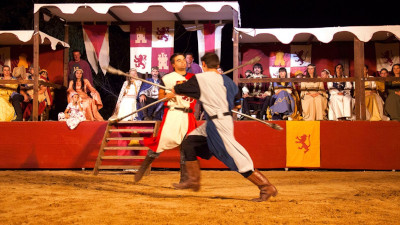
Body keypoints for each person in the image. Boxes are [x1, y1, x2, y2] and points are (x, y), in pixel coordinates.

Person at [167, 52, 277, 202]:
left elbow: (178, 90)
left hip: (218, 123)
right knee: (190, 142)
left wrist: (173, 91)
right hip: (217, 121)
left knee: (236, 157)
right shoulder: (228, 81)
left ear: (203, 65)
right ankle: (193, 179)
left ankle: (265, 186)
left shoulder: (200, 78)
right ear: (218, 65)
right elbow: (237, 103)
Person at [135, 53, 197, 184]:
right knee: (161, 141)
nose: (183, 62)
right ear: (173, 65)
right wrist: (166, 96)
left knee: (187, 146)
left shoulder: (193, 78)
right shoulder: (167, 78)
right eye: (178, 61)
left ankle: (184, 180)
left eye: (183, 60)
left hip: (189, 115)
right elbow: (160, 96)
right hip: (174, 113)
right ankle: (143, 168)